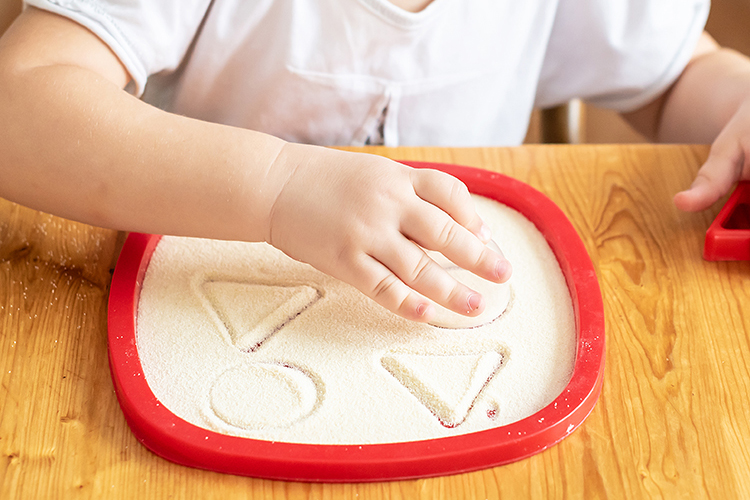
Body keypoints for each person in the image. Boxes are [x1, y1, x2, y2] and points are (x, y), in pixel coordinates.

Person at [0, 0, 746, 323]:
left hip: (449, 321)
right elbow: (20, 104)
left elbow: (675, 74)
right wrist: (279, 186)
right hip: (190, 298)